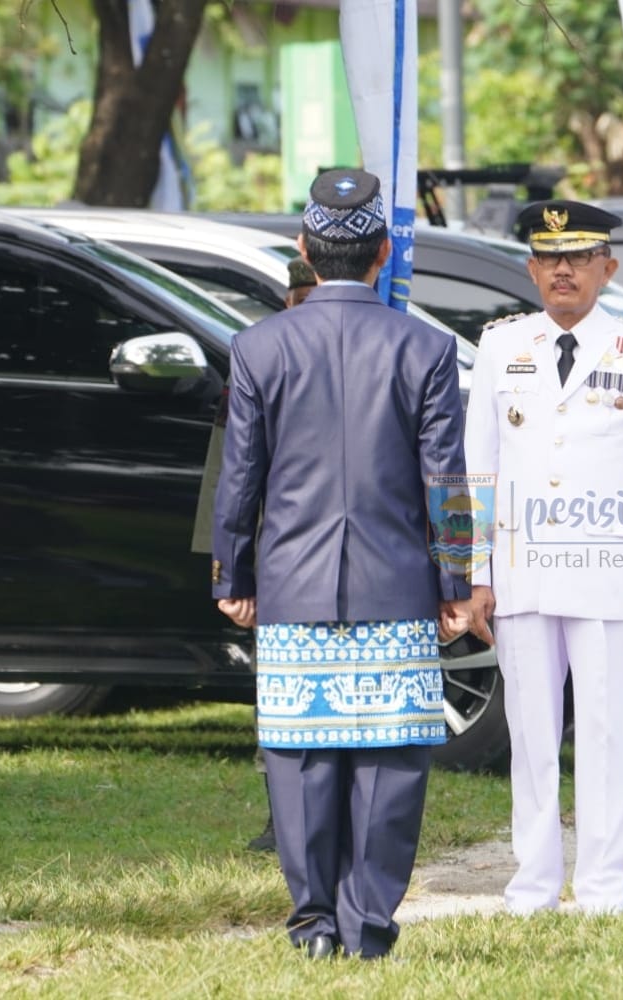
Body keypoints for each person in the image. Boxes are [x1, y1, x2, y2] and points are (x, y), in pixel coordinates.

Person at [211, 169, 481, 960]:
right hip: (396, 583)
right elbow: (447, 482)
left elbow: (241, 476)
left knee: (298, 757)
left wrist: (234, 576)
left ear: (303, 249)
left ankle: (313, 924)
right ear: (384, 252)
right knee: (391, 758)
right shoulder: (426, 348)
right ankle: (368, 924)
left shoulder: (256, 345)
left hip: (291, 583)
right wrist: (457, 585)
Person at [463, 200, 623, 915]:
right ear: (530, 270)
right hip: (522, 573)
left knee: (609, 734)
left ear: (607, 270)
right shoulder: (500, 346)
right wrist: (477, 574)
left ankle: (602, 886)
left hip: (610, 577)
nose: (563, 270)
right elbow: (478, 473)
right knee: (530, 736)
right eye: (550, 258)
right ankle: (531, 884)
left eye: (579, 257)